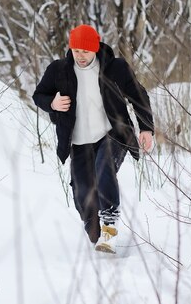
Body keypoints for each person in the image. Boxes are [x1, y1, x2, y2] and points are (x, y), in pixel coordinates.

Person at [33, 24, 154, 253]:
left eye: (85, 51)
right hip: (79, 142)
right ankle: (97, 230)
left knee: (104, 166)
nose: (80, 56)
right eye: (76, 50)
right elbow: (39, 95)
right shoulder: (58, 70)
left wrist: (146, 128)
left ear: (95, 48)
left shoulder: (114, 68)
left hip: (113, 133)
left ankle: (110, 222)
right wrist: (52, 103)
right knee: (83, 193)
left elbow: (138, 95)